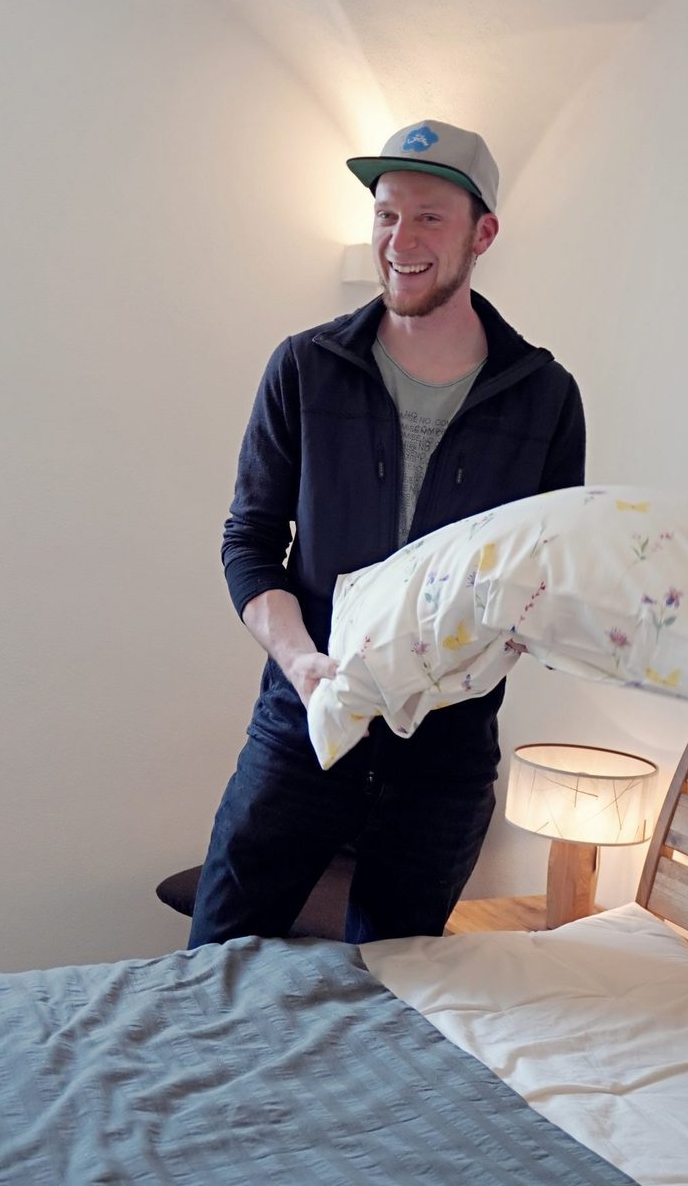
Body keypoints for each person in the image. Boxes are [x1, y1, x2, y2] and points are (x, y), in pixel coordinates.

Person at [188, 120, 585, 947]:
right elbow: (250, 541)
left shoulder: (544, 396)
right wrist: (301, 663)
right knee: (213, 970)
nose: (399, 241)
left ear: (483, 233)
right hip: (302, 729)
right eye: (385, 216)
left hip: (446, 760)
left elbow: (547, 576)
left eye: (429, 218)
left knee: (396, 1001)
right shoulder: (302, 367)